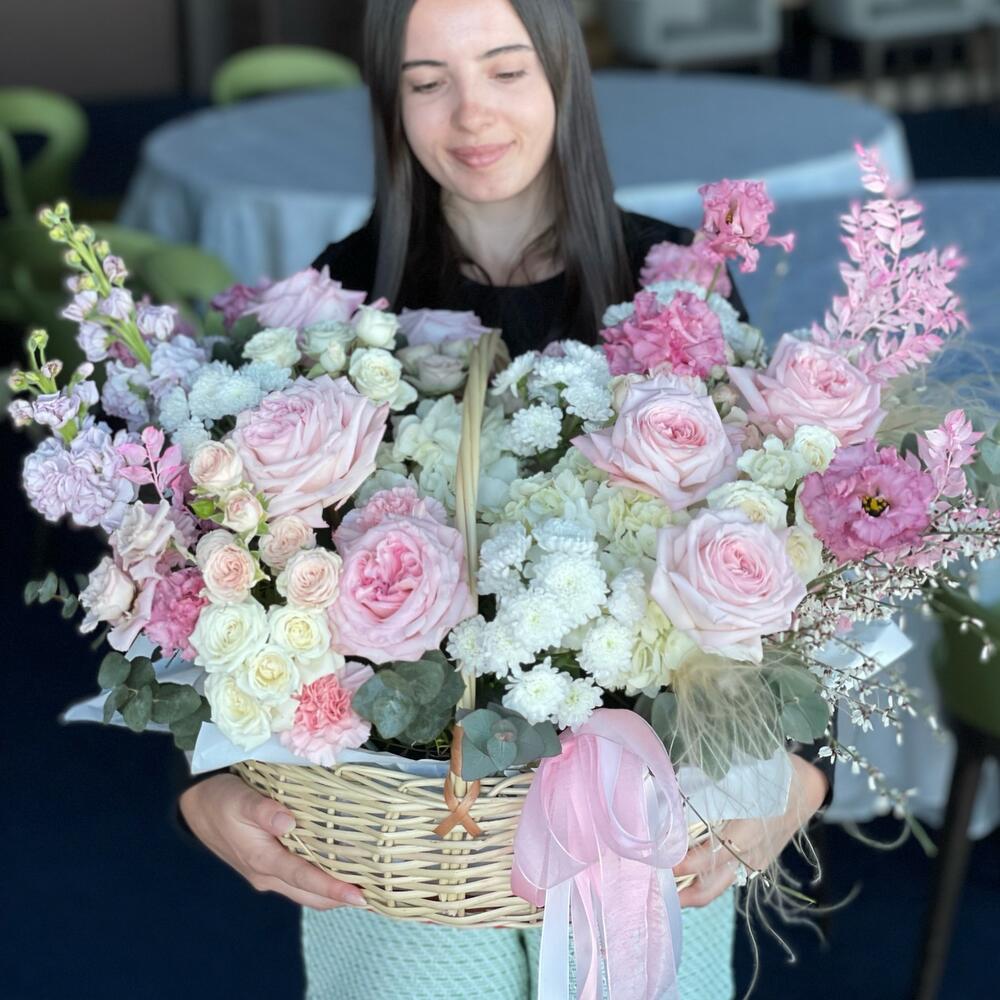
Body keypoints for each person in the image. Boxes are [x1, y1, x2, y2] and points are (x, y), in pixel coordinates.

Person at [179, 1, 833, 997]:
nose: (471, 114)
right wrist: (207, 778)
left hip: (645, 818)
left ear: (563, 74)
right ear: (390, 101)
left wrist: (800, 771)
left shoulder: (672, 288)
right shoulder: (339, 300)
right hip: (413, 839)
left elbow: (782, 545)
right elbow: (225, 563)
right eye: (426, 81)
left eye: (505, 70)